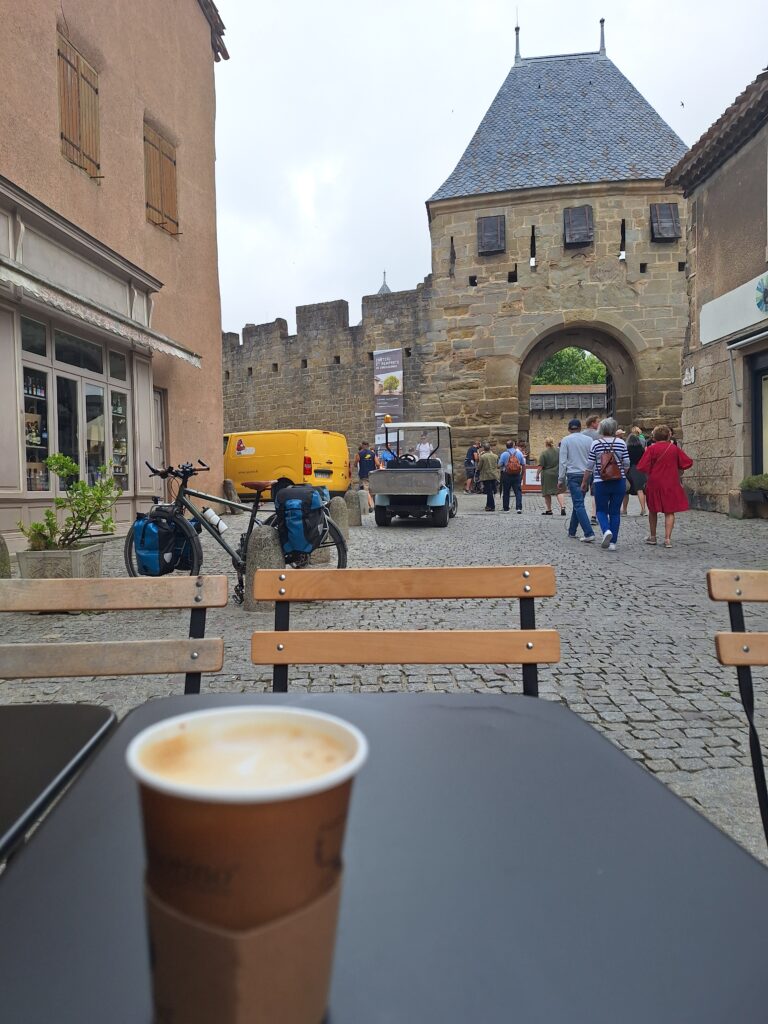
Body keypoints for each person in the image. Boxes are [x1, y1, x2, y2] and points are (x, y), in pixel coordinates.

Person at [637, 424, 694, 548]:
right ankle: (668, 539)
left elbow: (641, 467)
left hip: (654, 482)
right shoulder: (674, 449)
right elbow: (687, 462)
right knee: (670, 511)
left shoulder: (651, 449)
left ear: (654, 437)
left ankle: (653, 537)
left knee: (653, 510)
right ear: (668, 436)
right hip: (671, 482)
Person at [581, 417, 629, 551]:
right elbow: (627, 463)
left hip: (601, 481)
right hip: (619, 481)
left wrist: (584, 482)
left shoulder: (596, 444)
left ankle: (606, 530)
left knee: (601, 510)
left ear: (601, 429)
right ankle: (613, 543)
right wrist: (621, 474)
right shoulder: (621, 443)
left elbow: (589, 466)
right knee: (615, 512)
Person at [557, 419, 596, 542]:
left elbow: (563, 461)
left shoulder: (566, 440)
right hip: (586, 475)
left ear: (569, 429)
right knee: (578, 502)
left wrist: (560, 479)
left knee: (578, 504)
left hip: (573, 474)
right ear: (580, 428)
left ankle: (589, 532)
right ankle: (572, 530)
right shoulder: (589, 440)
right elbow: (593, 459)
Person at [537, 437, 565, 515]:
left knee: (546, 493)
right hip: (558, 473)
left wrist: (537, 474)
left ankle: (549, 510)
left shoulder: (544, 453)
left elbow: (541, 466)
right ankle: (562, 507)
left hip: (547, 475)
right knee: (559, 491)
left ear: (545, 443)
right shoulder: (559, 451)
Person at [622, 431, 647, 516]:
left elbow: (624, 460)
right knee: (640, 490)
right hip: (639, 470)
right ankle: (643, 509)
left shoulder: (627, 449)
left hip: (628, 470)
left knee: (626, 491)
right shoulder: (641, 449)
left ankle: (624, 510)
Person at [498, 440, 526, 513]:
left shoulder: (504, 454)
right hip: (516, 475)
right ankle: (518, 508)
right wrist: (522, 474)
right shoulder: (519, 454)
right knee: (518, 492)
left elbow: (499, 464)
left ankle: (506, 508)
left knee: (506, 491)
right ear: (513, 445)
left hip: (506, 475)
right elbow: (523, 464)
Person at [582, 415, 601, 524]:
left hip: (583, 468)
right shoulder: (599, 435)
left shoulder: (581, 435)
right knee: (595, 494)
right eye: (598, 422)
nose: (599, 424)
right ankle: (594, 516)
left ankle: (581, 514)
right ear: (593, 423)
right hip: (595, 468)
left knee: (582, 493)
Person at [476, 442, 499, 512]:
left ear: (484, 449)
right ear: (490, 448)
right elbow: (497, 465)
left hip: (486, 476)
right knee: (491, 491)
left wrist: (477, 472)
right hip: (494, 475)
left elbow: (479, 467)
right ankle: (488, 505)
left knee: (489, 492)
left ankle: (492, 506)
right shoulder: (495, 456)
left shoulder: (483, 457)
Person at [354, 442, 377, 509]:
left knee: (366, 490)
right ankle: (372, 504)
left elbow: (356, 463)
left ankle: (371, 505)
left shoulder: (359, 453)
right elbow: (378, 463)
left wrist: (356, 464)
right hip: (372, 474)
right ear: (368, 445)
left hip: (364, 474)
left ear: (362, 445)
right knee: (371, 490)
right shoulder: (373, 454)